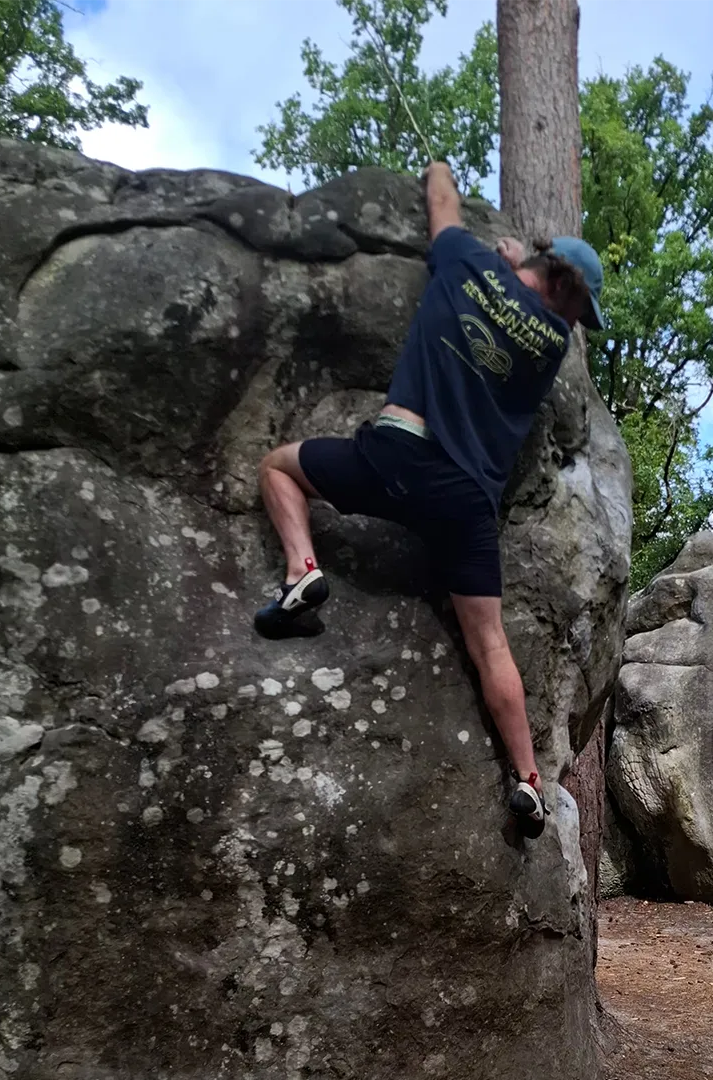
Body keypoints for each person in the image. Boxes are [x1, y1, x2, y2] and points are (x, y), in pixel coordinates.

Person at [253, 160, 605, 839]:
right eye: (577, 304)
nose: (576, 320)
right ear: (560, 284)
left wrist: (439, 169)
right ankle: (527, 778)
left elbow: (442, 205)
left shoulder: (466, 264)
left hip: (394, 453)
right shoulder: (551, 343)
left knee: (278, 467)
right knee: (488, 639)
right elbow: (528, 306)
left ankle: (302, 570)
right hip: (465, 499)